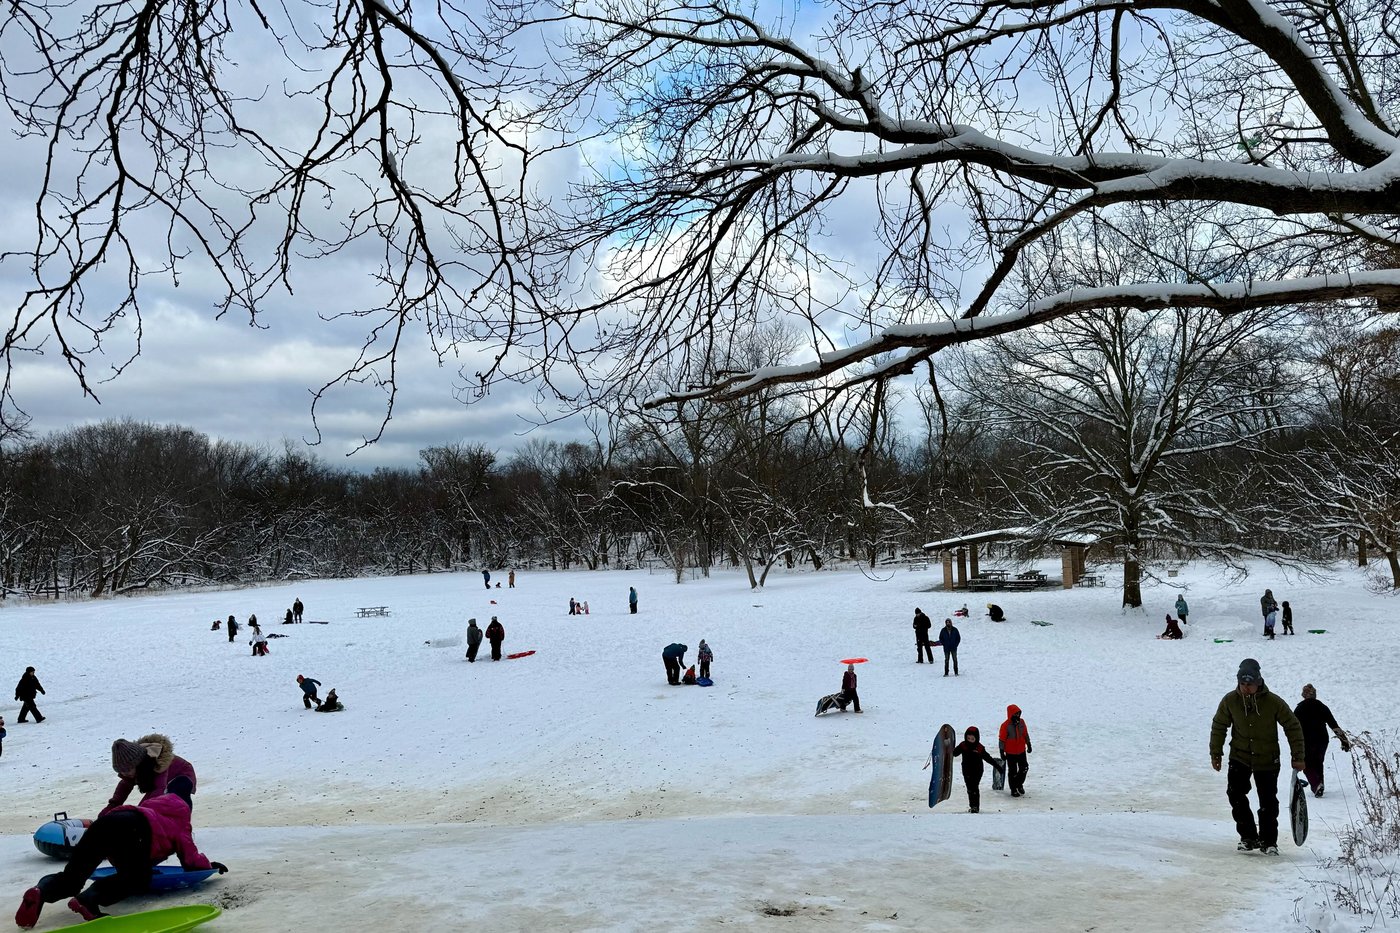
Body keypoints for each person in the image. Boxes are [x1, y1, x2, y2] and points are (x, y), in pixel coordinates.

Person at [15, 792, 224, 927]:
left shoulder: (148, 810)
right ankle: (89, 900)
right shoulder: (179, 823)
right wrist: (210, 867)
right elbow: (191, 859)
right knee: (137, 878)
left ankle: (41, 891)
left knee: (73, 877)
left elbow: (122, 854)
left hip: (103, 824)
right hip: (132, 830)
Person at [1209, 658, 1306, 855]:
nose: (1246, 688)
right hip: (1240, 756)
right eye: (1242, 683)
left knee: (1268, 801)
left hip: (1267, 759)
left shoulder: (1273, 702)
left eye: (1250, 684)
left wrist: (1298, 756)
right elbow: (1219, 726)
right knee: (1235, 794)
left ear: (1259, 682)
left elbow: (1292, 726)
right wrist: (1215, 753)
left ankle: (1269, 841)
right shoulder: (1230, 701)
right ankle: (1248, 837)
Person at [101, 735, 197, 816]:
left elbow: (158, 791)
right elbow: (122, 790)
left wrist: (140, 817)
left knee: (172, 803)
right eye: (121, 771)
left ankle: (179, 825)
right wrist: (107, 812)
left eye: (128, 770)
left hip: (181, 776)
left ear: (138, 764)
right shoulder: (132, 769)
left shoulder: (157, 765)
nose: (125, 773)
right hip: (158, 781)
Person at [1293, 684, 1350, 797]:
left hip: (1307, 740)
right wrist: (1344, 740)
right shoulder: (1322, 707)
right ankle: (1320, 785)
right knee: (1318, 762)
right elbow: (1334, 725)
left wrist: (1294, 743)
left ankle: (1316, 785)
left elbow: (1293, 728)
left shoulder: (1299, 709)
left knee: (1307, 765)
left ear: (1304, 695)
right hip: (1322, 739)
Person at [952, 726, 1001, 813]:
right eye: (968, 738)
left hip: (977, 771)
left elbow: (988, 758)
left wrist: (997, 766)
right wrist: (948, 749)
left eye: (972, 739)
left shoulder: (979, 748)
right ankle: (972, 806)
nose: (970, 740)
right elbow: (955, 753)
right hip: (966, 770)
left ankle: (975, 807)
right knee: (969, 788)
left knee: (974, 787)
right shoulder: (963, 745)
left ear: (976, 738)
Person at [999, 705, 1032, 797]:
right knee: (1012, 772)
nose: (1017, 716)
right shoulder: (1005, 725)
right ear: (1010, 714)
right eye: (1015, 714)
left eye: (1018, 714)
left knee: (1024, 768)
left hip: (1021, 751)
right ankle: (1013, 789)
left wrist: (1029, 744)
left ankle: (1019, 784)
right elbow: (1002, 739)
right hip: (1010, 753)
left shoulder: (1022, 722)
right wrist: (1001, 752)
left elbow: (1025, 734)